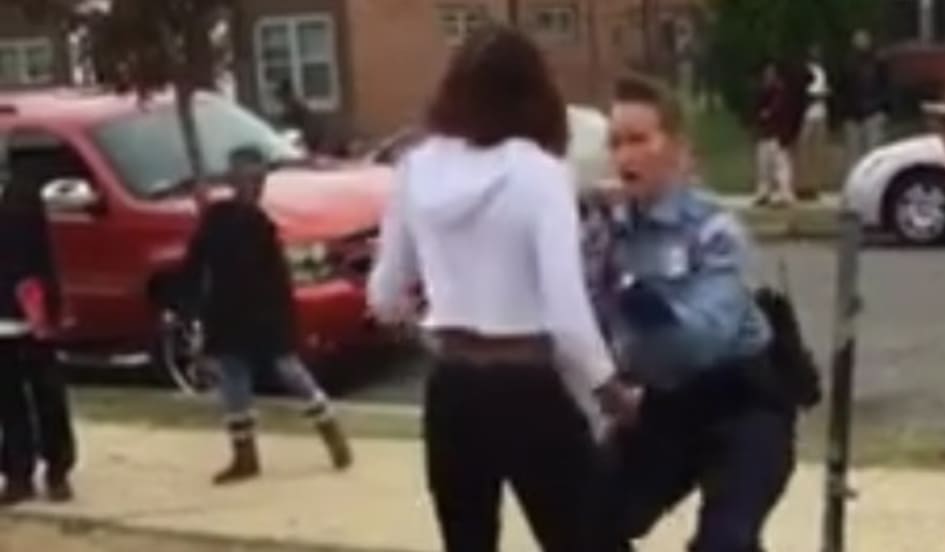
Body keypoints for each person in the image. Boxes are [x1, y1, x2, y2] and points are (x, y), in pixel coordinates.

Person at [367, 26, 639, 552]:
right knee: (588, 538)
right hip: (526, 383)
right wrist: (610, 391)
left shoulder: (415, 169)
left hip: (452, 387)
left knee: (467, 539)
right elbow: (566, 314)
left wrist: (427, 316)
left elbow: (384, 295)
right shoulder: (541, 174)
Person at [595, 76, 797, 552]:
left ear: (678, 150)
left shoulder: (713, 229)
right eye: (616, 143)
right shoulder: (605, 230)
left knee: (725, 541)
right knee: (587, 522)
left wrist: (627, 290)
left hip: (743, 403)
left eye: (639, 140)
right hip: (666, 403)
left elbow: (703, 337)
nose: (624, 156)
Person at [179, 146, 352, 485]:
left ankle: (330, 430)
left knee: (289, 370)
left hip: (263, 312)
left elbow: (276, 280)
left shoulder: (260, 225)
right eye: (245, 178)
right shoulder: (217, 218)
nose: (252, 186)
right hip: (227, 312)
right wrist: (191, 305)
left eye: (257, 180)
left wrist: (283, 320)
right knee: (234, 379)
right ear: (232, 180)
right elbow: (197, 262)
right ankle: (245, 454)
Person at [0, 155, 77, 505]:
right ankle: (18, 472)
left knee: (47, 393)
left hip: (29, 310)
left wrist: (50, 306)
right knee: (8, 399)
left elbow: (43, 256)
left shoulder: (22, 198)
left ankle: (58, 469)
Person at [841, 29, 890, 168]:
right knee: (854, 155)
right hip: (853, 114)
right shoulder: (848, 64)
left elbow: (886, 86)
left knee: (873, 152)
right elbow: (843, 89)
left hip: (873, 111)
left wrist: (884, 109)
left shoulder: (878, 62)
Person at [753, 61, 797, 207]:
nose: (768, 76)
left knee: (780, 165)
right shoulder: (763, 89)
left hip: (777, 133)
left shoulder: (780, 90)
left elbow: (777, 110)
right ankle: (764, 192)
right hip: (765, 133)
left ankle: (785, 194)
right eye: (766, 73)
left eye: (771, 73)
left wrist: (768, 113)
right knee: (763, 165)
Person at [796, 45, 832, 200]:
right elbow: (801, 92)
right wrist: (817, 96)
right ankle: (802, 185)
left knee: (817, 151)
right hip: (807, 115)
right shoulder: (804, 71)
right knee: (804, 150)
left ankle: (815, 186)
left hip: (821, 114)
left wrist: (825, 94)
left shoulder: (823, 71)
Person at [276, 80, 328, 154]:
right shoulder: (293, 106)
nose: (280, 100)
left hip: (308, 138)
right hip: (306, 138)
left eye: (281, 96)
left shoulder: (294, 106)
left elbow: (296, 126)